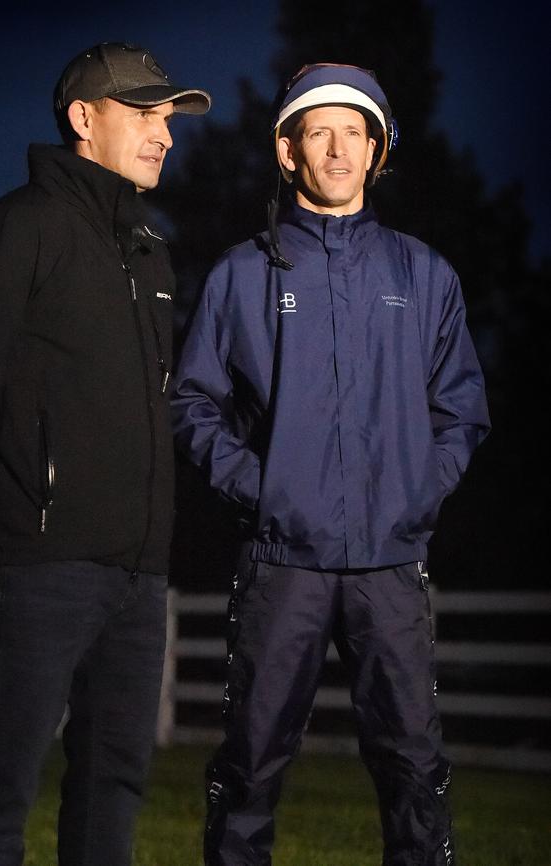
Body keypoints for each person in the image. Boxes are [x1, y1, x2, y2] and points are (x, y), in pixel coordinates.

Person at [172, 63, 489, 866]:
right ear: (289, 151)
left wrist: (415, 494)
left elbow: (462, 410)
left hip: (391, 565)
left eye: (356, 132)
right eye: (319, 132)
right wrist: (264, 492)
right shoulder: (244, 275)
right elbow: (194, 404)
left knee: (415, 769)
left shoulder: (423, 275)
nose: (338, 148)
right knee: (249, 767)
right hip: (284, 564)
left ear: (377, 151)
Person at [0, 42, 210, 866]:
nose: (165, 135)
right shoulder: (22, 229)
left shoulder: (151, 252)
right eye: (145, 115)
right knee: (4, 779)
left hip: (137, 574)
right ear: (85, 118)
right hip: (38, 563)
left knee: (114, 780)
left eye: (169, 119)